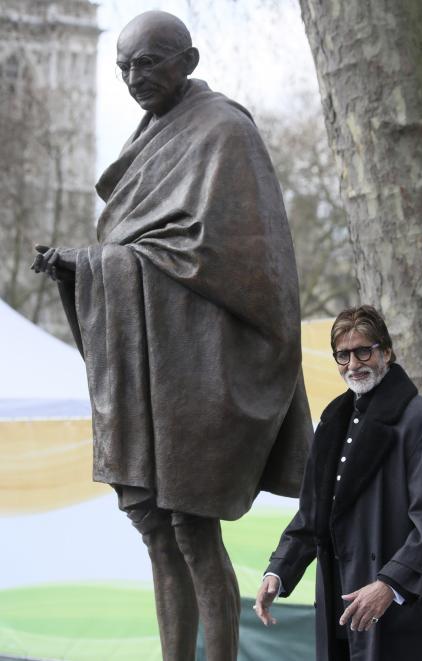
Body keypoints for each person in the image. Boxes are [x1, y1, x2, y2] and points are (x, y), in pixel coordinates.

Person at [31, 10, 312, 661]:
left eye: (148, 63)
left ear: (188, 60)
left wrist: (101, 262)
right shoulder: (152, 136)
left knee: (192, 530)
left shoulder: (224, 133)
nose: (133, 78)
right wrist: (85, 266)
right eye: (124, 67)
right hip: (147, 365)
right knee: (156, 530)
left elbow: (243, 262)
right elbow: (142, 245)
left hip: (202, 370)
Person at [255, 305, 422, 661]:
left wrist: (390, 583)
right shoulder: (332, 421)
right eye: (343, 354)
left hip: (402, 612)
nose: (353, 364)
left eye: (363, 350)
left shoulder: (420, 419)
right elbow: (312, 516)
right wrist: (279, 571)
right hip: (340, 606)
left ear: (386, 352)